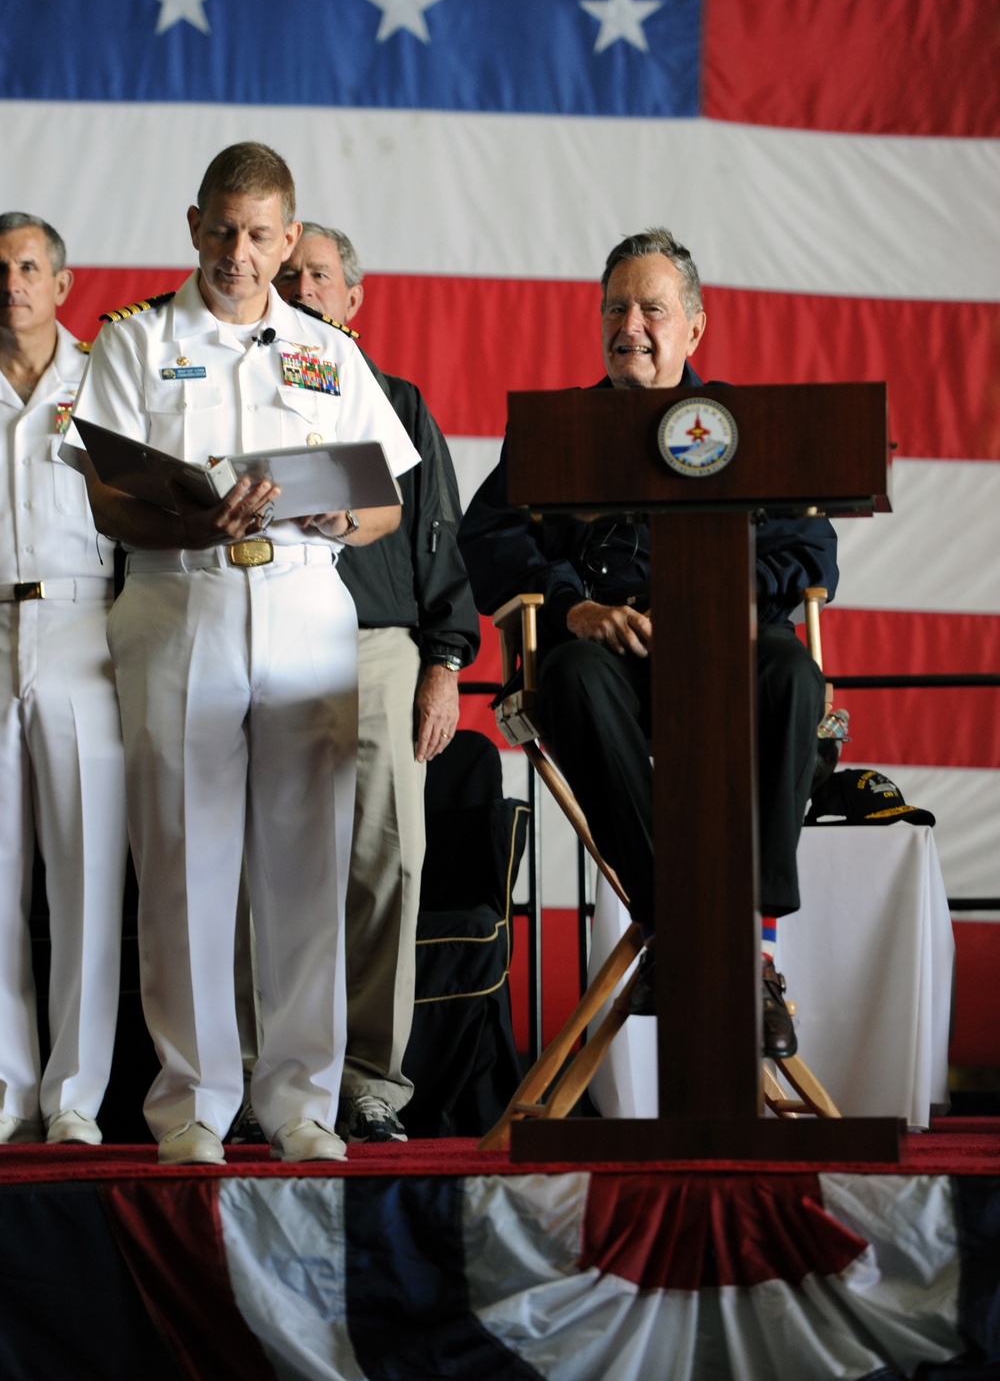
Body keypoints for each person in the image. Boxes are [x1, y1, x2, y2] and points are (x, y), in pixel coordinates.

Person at [71, 144, 420, 1165]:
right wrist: (193, 527)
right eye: (223, 230)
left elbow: (385, 502)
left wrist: (336, 516)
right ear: (192, 226)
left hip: (304, 604)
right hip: (182, 606)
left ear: (289, 237)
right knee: (182, 864)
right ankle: (191, 1106)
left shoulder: (326, 351)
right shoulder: (135, 341)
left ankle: (302, 1102)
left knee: (306, 867)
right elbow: (104, 493)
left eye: (262, 235)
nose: (240, 253)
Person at [458, 228, 836, 1057]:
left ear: (693, 328)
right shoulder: (561, 429)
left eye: (652, 308)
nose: (631, 323)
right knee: (574, 673)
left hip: (725, 644)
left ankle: (748, 940)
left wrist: (743, 599)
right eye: (616, 307)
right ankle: (679, 925)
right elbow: (485, 541)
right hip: (609, 651)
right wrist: (570, 605)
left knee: (791, 673)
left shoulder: (744, 423)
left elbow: (812, 551)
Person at [275, 224, 480, 1143]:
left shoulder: (395, 402)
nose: (303, 285)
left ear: (354, 299)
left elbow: (444, 548)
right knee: (255, 867)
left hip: (379, 649)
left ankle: (369, 1081)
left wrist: (443, 666)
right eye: (289, 275)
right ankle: (255, 1076)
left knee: (386, 863)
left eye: (319, 274)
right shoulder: (243, 397)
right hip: (263, 643)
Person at [0, 212, 128, 1147]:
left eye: (28, 266)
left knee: (84, 868)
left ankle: (74, 1095)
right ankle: (8, 1091)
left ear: (61, 283)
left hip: (84, 619)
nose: (12, 282)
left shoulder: (102, 379)